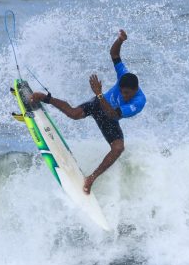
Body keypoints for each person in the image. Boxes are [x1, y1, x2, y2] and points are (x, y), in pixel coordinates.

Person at [31, 29, 146, 194]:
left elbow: (113, 114)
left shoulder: (138, 102)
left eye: (127, 93)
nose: (124, 95)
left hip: (110, 116)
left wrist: (99, 93)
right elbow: (114, 54)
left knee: (118, 148)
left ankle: (91, 178)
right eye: (122, 92)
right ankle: (45, 98)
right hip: (99, 104)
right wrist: (120, 40)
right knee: (73, 114)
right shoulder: (123, 75)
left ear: (135, 90)